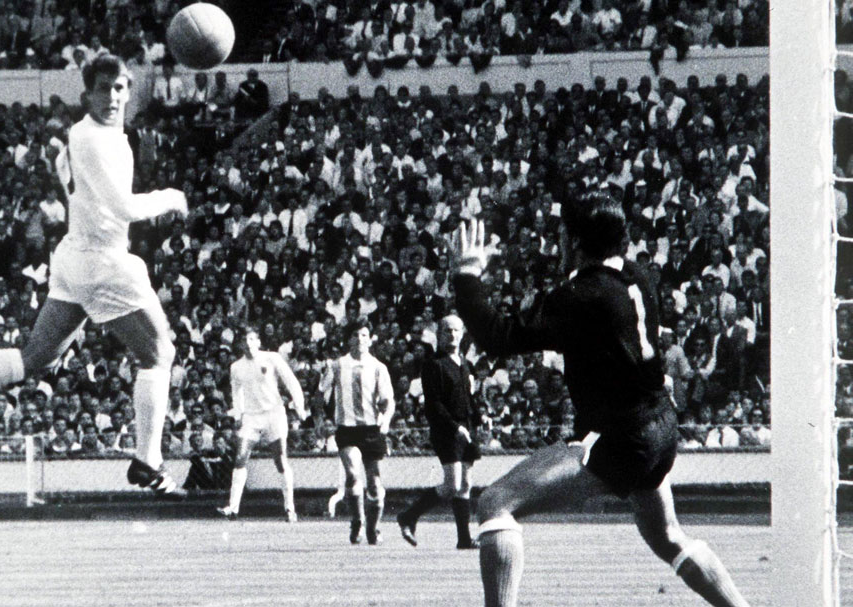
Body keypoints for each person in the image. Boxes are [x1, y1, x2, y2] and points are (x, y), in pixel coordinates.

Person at [0, 54, 188, 496]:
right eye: (103, 88)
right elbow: (125, 208)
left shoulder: (81, 135)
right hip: (104, 262)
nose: (112, 97)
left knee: (34, 358)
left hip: (74, 256)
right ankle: (147, 461)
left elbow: (73, 184)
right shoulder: (99, 140)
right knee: (158, 355)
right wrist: (171, 195)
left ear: (130, 91)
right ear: (86, 94)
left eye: (120, 88)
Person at [450, 194, 749, 607]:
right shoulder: (636, 275)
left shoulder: (583, 296)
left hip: (621, 438)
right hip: (661, 428)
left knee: (496, 502)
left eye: (561, 236)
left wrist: (467, 277)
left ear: (574, 241)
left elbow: (497, 337)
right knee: (668, 536)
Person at [397, 314, 480, 549]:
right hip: (447, 430)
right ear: (439, 335)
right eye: (447, 331)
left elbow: (467, 398)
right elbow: (434, 404)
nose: (452, 335)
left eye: (456, 330)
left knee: (465, 484)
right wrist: (456, 428)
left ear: (462, 334)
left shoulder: (463, 363)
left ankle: (464, 538)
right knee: (452, 485)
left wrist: (478, 417)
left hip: (465, 429)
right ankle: (409, 515)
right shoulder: (434, 365)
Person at [217, 326, 307, 521]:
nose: (248, 344)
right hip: (251, 417)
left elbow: (291, 381)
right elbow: (236, 393)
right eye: (244, 340)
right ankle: (233, 508)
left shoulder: (272, 358)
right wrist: (239, 414)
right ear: (240, 344)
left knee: (281, 460)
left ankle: (290, 508)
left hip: (274, 414)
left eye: (251, 339)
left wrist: (299, 406)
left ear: (258, 342)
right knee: (240, 457)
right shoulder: (236, 367)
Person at [321, 319, 394, 544]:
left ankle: (374, 528)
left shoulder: (378, 367)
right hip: (347, 430)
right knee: (353, 474)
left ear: (369, 339)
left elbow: (388, 400)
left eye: (364, 335)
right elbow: (320, 392)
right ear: (348, 339)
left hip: (372, 429)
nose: (360, 340)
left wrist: (386, 419)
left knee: (374, 482)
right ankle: (357, 520)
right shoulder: (337, 365)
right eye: (355, 335)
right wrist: (320, 419)